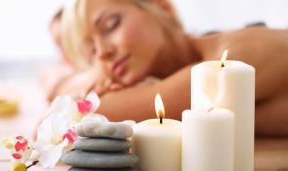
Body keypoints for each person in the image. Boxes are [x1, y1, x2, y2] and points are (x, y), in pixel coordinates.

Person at [55, 0, 288, 135]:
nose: (103, 52)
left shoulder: (236, 56)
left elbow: (73, 115)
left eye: (111, 25)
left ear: (163, 8)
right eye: (92, 52)